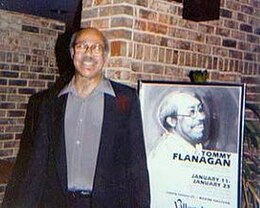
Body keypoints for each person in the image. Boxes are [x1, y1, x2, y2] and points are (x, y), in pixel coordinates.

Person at [2, 27, 150, 208]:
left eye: (96, 47)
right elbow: (36, 166)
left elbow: (137, 166)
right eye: (82, 46)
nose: (89, 53)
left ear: (105, 56)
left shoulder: (125, 100)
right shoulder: (50, 103)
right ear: (72, 53)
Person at [147, 91, 209, 208]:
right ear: (172, 121)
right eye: (192, 112)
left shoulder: (194, 149)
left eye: (200, 110)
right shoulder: (162, 158)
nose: (202, 117)